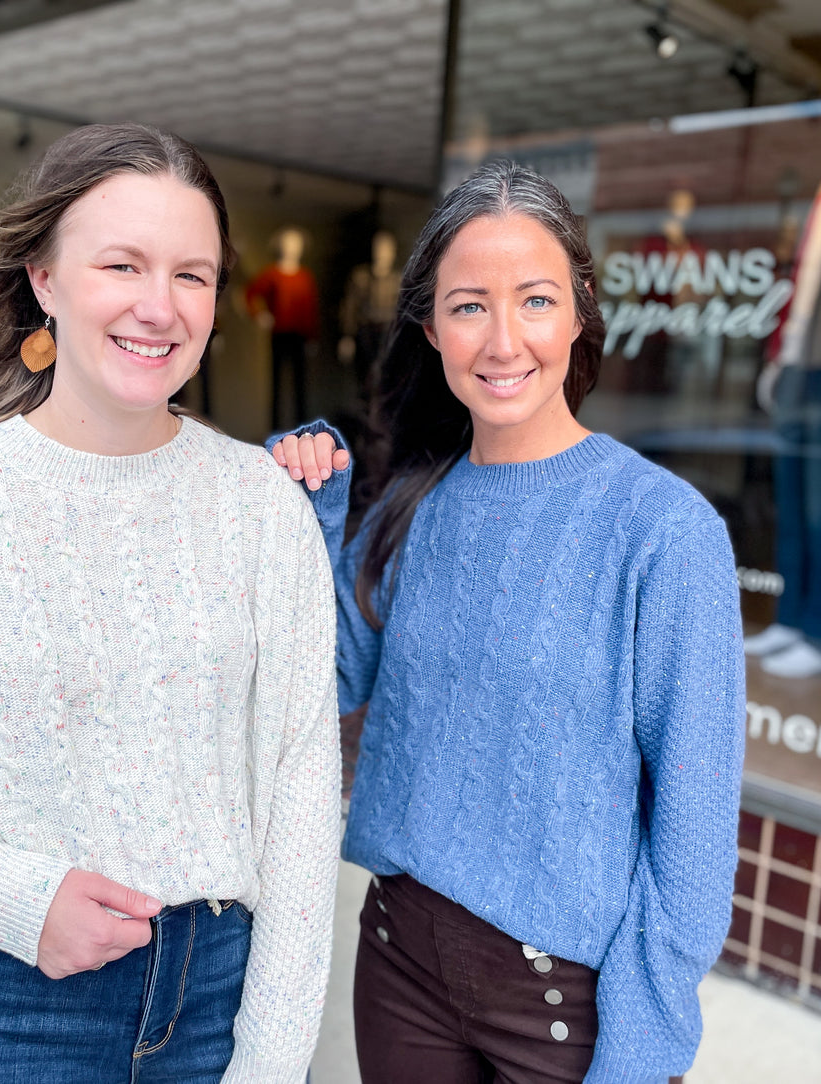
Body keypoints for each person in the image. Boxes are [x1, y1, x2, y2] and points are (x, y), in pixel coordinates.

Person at [0, 123, 341, 1084]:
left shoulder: (262, 506)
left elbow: (301, 789)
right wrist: (20, 901)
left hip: (219, 997)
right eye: (122, 264)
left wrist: (272, 1058)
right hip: (3, 1004)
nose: (158, 305)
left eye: (192, 274)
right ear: (45, 279)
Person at [271, 160, 745, 1083]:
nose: (501, 340)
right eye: (466, 306)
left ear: (577, 315)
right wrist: (310, 525)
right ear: (429, 328)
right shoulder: (414, 505)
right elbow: (316, 686)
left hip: (562, 1006)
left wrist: (643, 1048)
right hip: (398, 957)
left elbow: (693, 830)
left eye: (533, 300)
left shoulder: (662, 530)